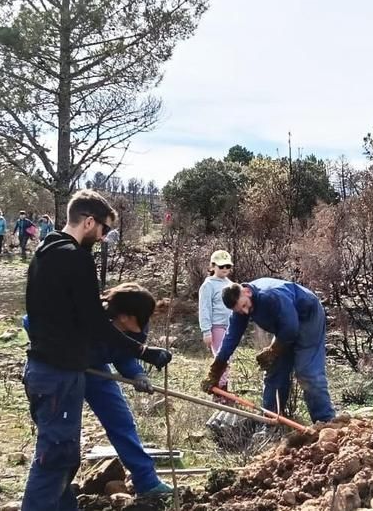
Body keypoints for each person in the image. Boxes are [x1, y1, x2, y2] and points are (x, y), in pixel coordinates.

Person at [20, 190, 173, 511]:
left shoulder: (44, 252)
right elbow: (94, 322)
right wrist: (144, 351)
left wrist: (137, 368)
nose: (103, 237)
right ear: (89, 222)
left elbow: (58, 315)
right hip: (59, 373)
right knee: (56, 457)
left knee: (64, 456)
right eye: (103, 229)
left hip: (57, 369)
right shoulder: (75, 258)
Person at [22, 283, 173, 498]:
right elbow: (30, 321)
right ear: (124, 316)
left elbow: (125, 352)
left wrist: (137, 374)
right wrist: (58, 349)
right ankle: (58, 496)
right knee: (62, 437)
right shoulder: (84, 315)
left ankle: (147, 481)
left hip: (97, 371)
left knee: (121, 420)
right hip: (62, 371)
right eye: (141, 317)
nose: (146, 322)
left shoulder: (137, 327)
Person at [201, 278, 335, 424]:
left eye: (244, 306)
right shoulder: (241, 305)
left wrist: (273, 351)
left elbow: (291, 329)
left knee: (307, 372)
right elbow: (231, 338)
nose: (245, 311)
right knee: (274, 371)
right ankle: (271, 423)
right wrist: (215, 371)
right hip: (285, 326)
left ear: (247, 292)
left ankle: (326, 422)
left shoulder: (270, 296)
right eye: (239, 310)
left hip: (308, 316)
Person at [198, 250, 234, 397]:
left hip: (230, 326)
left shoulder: (231, 284)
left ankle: (223, 388)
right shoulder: (208, 285)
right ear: (213, 266)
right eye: (221, 266)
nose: (225, 269)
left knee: (228, 358)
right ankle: (220, 391)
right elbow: (204, 308)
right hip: (216, 326)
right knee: (221, 358)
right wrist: (206, 330)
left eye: (227, 266)